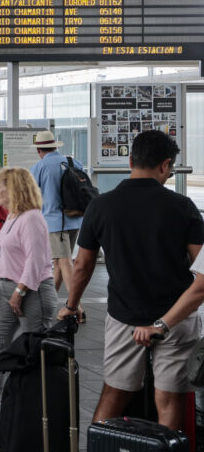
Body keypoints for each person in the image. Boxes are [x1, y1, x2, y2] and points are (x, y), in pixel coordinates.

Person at [59, 131, 204, 431]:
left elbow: (83, 265)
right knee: (170, 398)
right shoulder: (183, 206)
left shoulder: (101, 206)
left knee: (114, 393)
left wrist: (72, 305)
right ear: (165, 165)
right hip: (174, 318)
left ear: (130, 161)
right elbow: (199, 266)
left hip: (124, 315)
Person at [0, 167, 59, 417]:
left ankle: (37, 404)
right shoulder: (15, 216)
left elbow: (36, 261)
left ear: (14, 189)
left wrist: (20, 291)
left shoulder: (31, 218)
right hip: (8, 288)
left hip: (31, 291)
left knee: (33, 349)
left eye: (0, 188)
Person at [29, 130, 83, 294]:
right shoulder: (74, 163)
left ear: (39, 150)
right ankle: (51, 300)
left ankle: (76, 306)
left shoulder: (39, 167)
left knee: (64, 261)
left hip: (54, 223)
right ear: (54, 147)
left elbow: (31, 196)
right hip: (75, 219)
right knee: (59, 262)